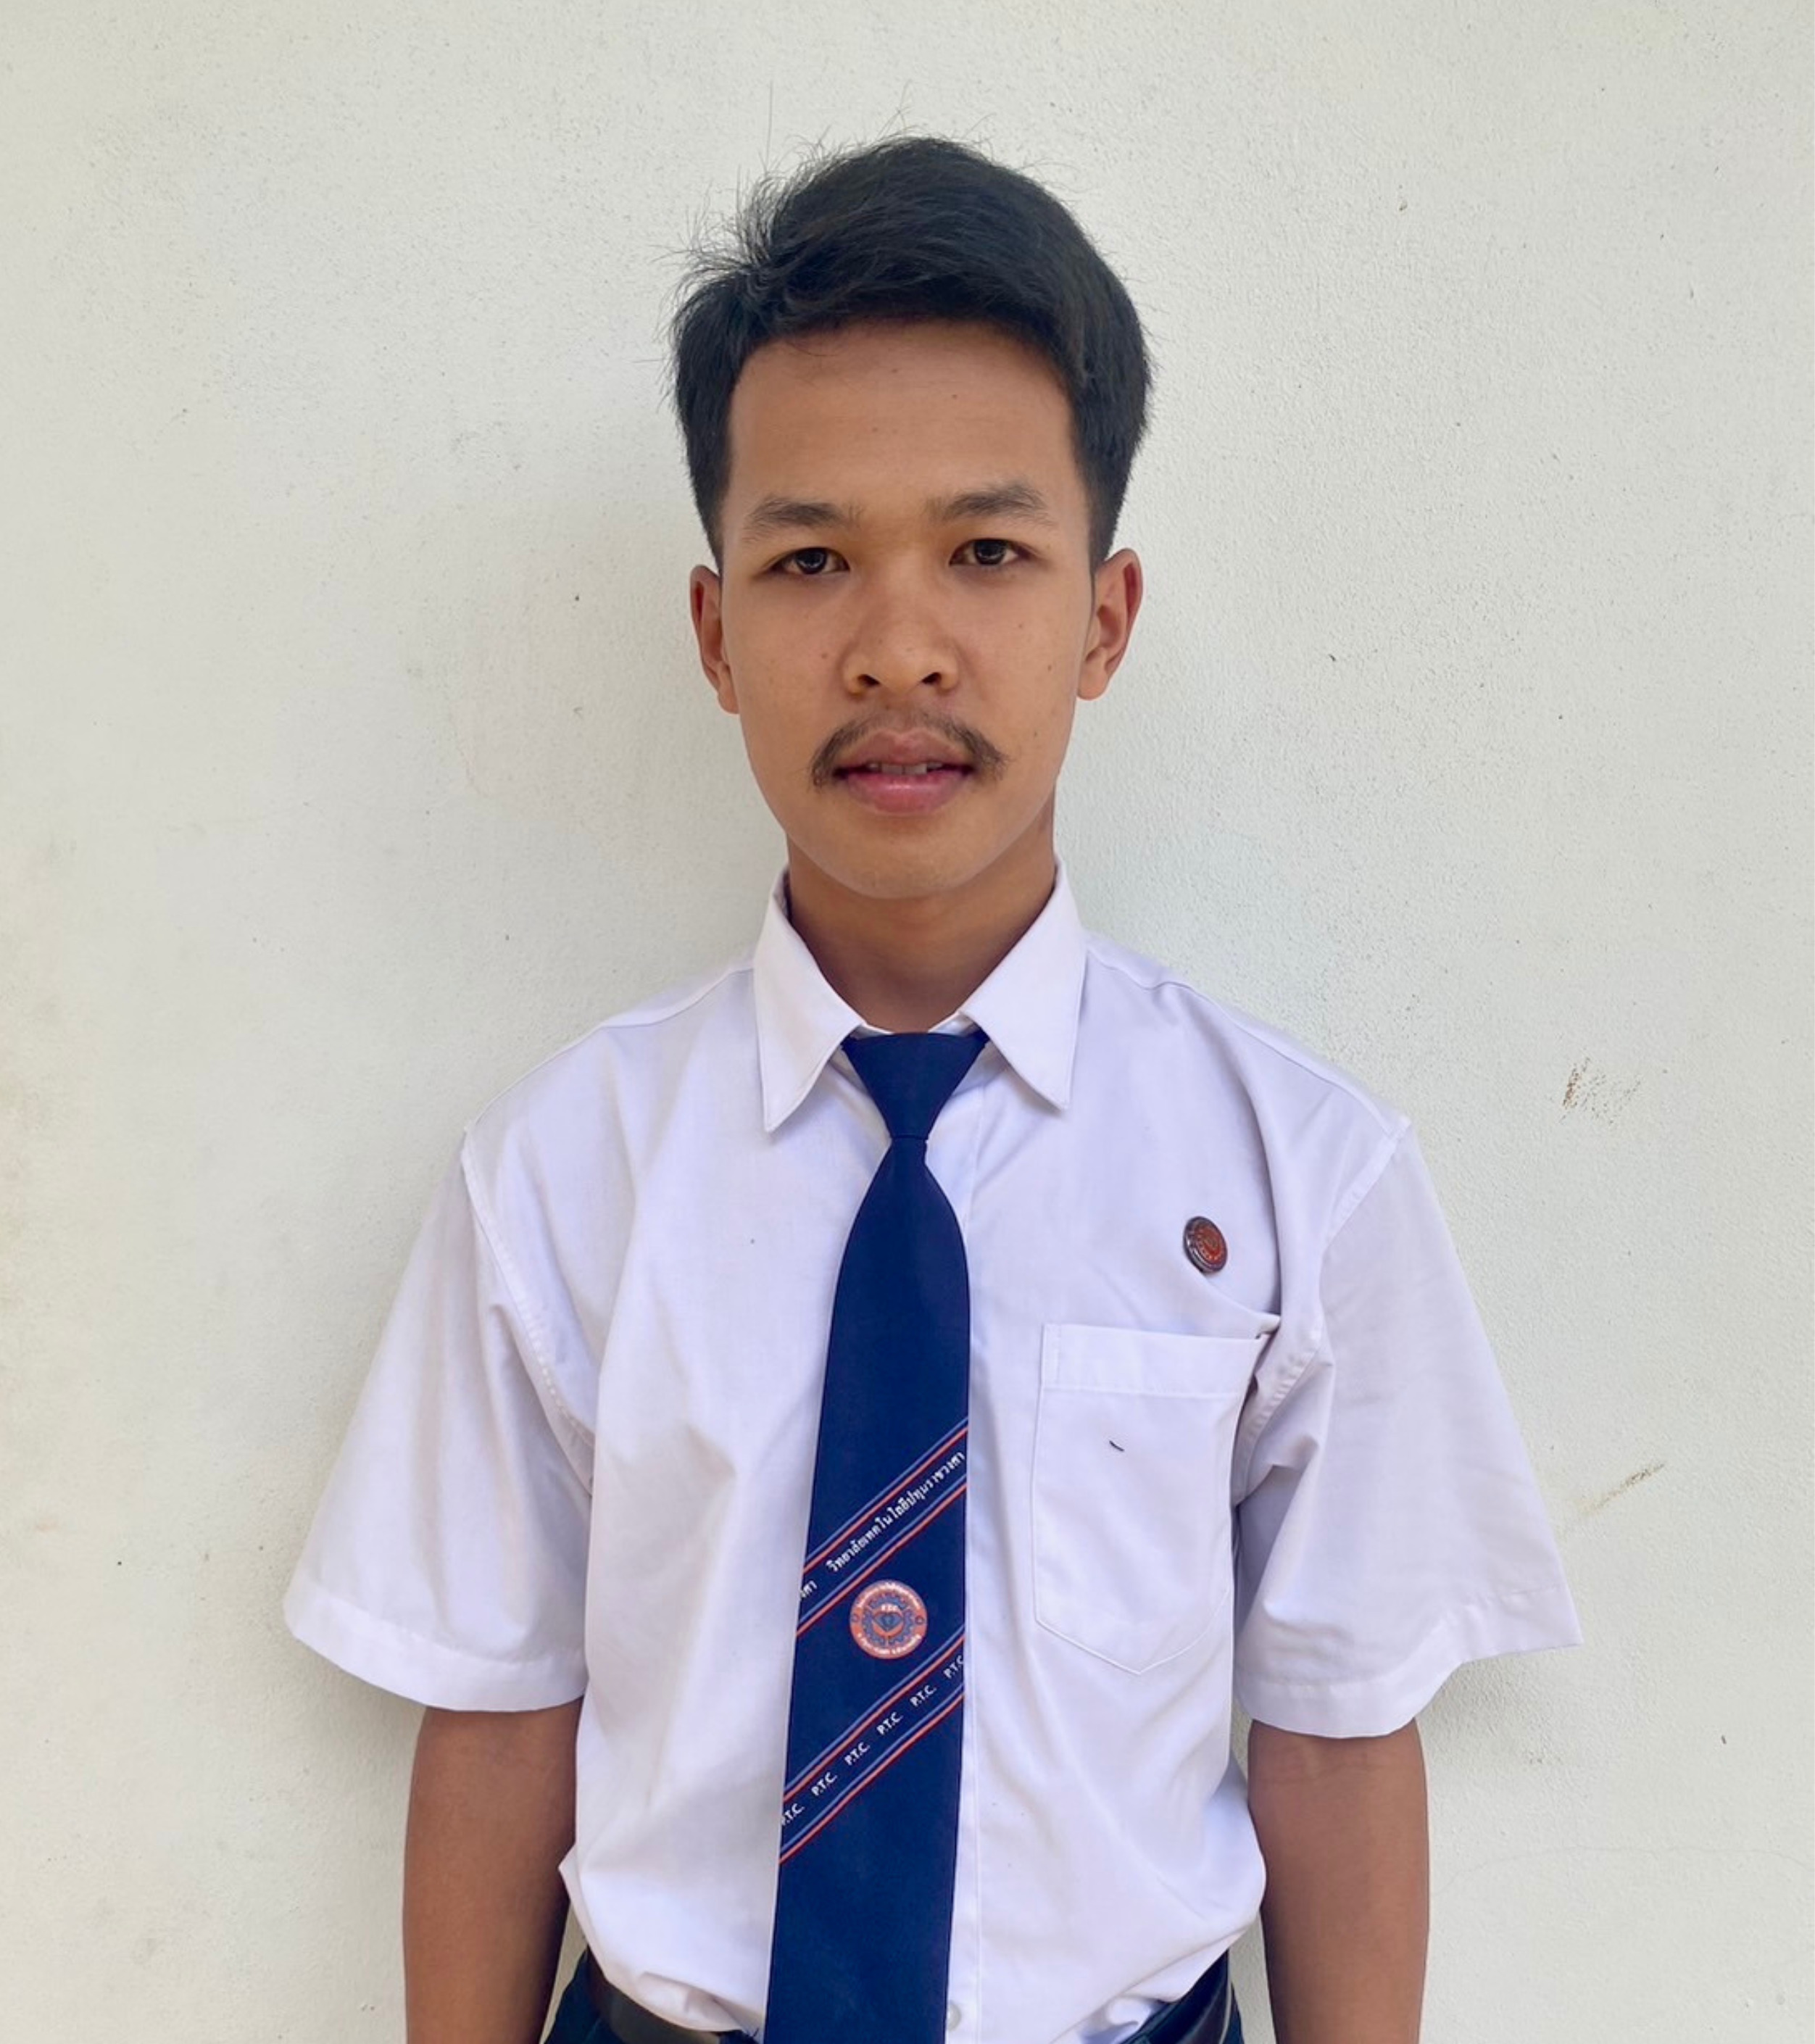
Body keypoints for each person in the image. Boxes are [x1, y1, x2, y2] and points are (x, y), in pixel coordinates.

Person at [284, 135, 1580, 2044]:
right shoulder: (562, 1172)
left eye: (987, 552)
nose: (898, 648)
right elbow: (495, 1711)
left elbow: (1335, 1731)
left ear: (1104, 618)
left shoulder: (1299, 1172)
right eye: (811, 561)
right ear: (718, 636)